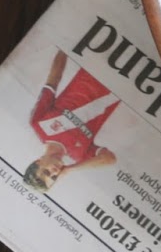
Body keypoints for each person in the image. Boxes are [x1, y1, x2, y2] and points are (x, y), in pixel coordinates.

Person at [21, 50, 119, 191]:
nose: (54, 172)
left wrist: (65, 47)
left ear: (38, 161)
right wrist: (70, 169)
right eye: (54, 177)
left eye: (47, 172)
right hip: (119, 86)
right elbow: (110, 159)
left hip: (97, 65)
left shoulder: (38, 124)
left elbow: (53, 80)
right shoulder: (80, 156)